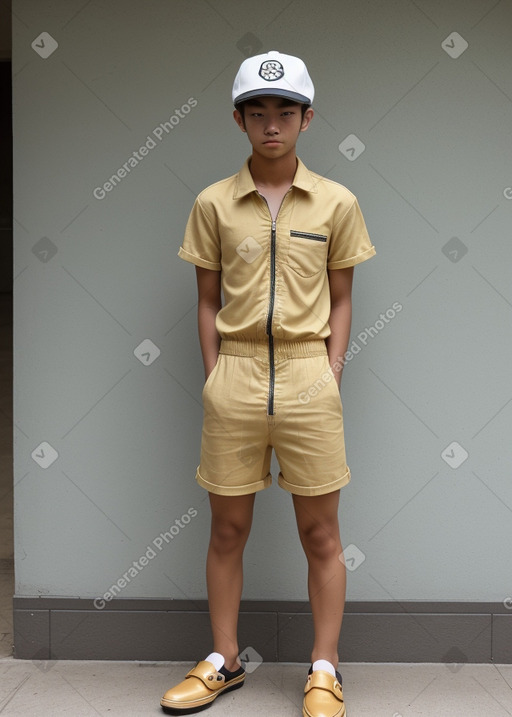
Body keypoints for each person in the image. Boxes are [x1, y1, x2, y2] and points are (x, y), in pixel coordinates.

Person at [161, 50, 376, 717]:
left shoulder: (337, 201)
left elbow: (342, 298)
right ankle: (224, 659)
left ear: (308, 119)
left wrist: (333, 370)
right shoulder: (213, 203)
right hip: (238, 374)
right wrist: (215, 374)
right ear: (239, 120)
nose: (271, 124)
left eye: (285, 112)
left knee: (322, 533)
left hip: (311, 376)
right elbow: (205, 298)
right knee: (227, 529)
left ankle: (324, 667)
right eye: (258, 113)